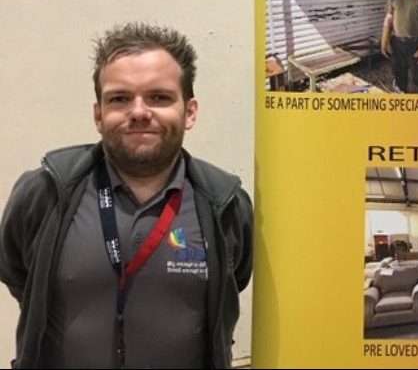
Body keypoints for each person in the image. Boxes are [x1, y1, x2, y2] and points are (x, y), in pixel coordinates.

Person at [0, 22, 253, 369]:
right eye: (120, 98)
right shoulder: (45, 193)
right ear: (99, 114)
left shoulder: (224, 205)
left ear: (190, 112)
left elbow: (236, 280)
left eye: (159, 97)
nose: (138, 112)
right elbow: (17, 275)